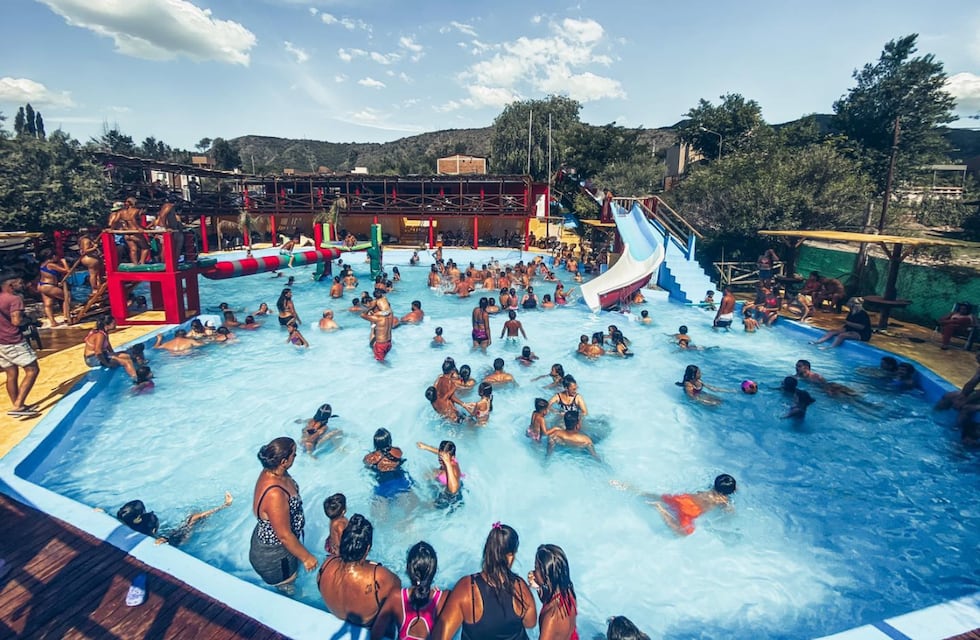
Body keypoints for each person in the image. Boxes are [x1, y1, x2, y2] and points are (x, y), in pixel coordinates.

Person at [431, 523, 536, 640]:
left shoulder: (466, 588)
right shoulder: (520, 587)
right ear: (510, 556)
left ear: (487, 551)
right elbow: (530, 623)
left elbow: (440, 636)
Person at [249, 437, 318, 595]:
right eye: (294, 454)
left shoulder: (274, 471)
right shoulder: (274, 494)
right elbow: (285, 536)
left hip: (276, 544)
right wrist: (306, 557)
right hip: (275, 557)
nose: (296, 456)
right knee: (290, 587)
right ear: (284, 461)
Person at [318, 514, 402, 628]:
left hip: (336, 614)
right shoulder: (378, 576)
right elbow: (398, 587)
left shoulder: (326, 565)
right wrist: (374, 566)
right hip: (368, 626)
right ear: (367, 548)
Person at [371, 541, 449, 640]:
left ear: (408, 569)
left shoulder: (396, 597)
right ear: (434, 570)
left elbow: (375, 635)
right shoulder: (444, 599)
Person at [117, 492, 232, 546]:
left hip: (162, 536)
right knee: (194, 517)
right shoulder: (149, 521)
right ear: (137, 518)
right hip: (174, 541)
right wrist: (162, 540)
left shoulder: (126, 522)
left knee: (194, 516)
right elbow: (157, 538)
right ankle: (225, 505)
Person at [0, 273, 40, 417]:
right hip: (13, 340)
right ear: (11, 285)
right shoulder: (15, 299)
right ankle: (18, 406)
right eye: (19, 283)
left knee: (11, 373)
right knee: (32, 369)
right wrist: (29, 320)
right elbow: (16, 322)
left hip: (1, 342)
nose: (22, 285)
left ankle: (18, 404)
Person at [650, 474, 737, 536]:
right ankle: (660, 509)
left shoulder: (710, 489)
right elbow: (728, 511)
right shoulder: (722, 500)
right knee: (684, 532)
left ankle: (644, 494)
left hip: (685, 498)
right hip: (691, 511)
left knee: (662, 498)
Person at [527, 544, 578, 640]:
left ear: (546, 575)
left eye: (536, 568)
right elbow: (549, 601)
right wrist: (538, 587)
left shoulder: (551, 618)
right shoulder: (569, 591)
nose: (533, 571)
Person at [83, 316, 138, 380]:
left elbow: (107, 344)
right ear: (107, 325)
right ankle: (136, 380)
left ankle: (136, 372)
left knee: (127, 356)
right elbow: (98, 351)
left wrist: (113, 354)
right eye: (114, 323)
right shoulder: (100, 335)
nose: (116, 324)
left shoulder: (103, 332)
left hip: (101, 355)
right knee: (126, 362)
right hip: (93, 358)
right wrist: (107, 363)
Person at [364, 428, 412, 497]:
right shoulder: (397, 451)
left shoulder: (370, 457)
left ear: (375, 443)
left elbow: (366, 465)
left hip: (384, 483)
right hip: (400, 479)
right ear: (389, 440)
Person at [37, 250, 71, 327]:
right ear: (53, 256)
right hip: (48, 286)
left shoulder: (42, 264)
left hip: (42, 285)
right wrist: (64, 262)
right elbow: (67, 271)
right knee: (67, 296)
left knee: (48, 304)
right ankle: (66, 316)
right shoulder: (50, 265)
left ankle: (53, 322)